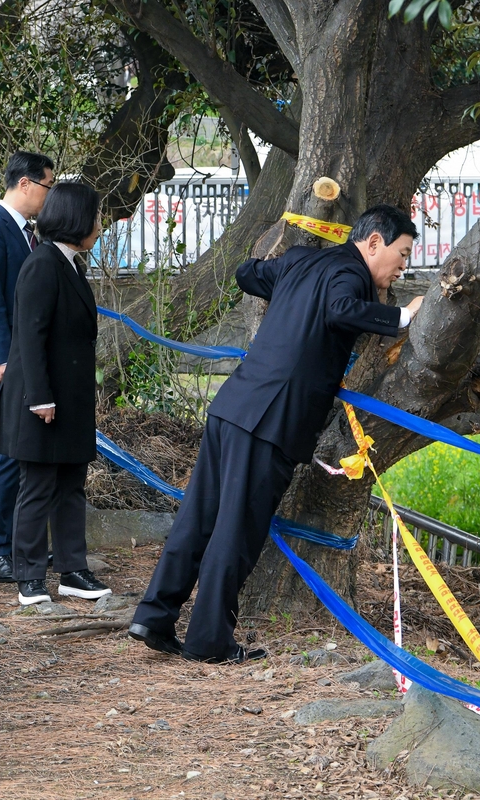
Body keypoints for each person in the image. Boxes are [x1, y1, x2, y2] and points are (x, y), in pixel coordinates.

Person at [129, 204, 425, 663]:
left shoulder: (304, 260)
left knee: (199, 516)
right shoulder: (349, 275)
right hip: (271, 421)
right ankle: (209, 642)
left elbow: (248, 274)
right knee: (236, 531)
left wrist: (278, 258)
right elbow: (340, 308)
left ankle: (154, 614)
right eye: (402, 254)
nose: (403, 267)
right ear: (372, 243)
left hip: (233, 405)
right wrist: (403, 317)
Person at [0, 182, 112, 606]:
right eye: (96, 217)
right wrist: (40, 397)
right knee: (38, 487)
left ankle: (72, 570)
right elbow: (31, 334)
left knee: (71, 487)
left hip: (71, 400)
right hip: (43, 402)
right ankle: (29, 575)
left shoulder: (72, 264)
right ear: (77, 219)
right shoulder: (42, 263)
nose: (100, 225)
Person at [0, 151, 54, 583]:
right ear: (24, 184)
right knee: (6, 453)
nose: (48, 196)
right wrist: (3, 359)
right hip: (5, 361)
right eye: (46, 186)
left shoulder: (28, 234)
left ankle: (23, 546)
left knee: (26, 453)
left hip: (24, 360)